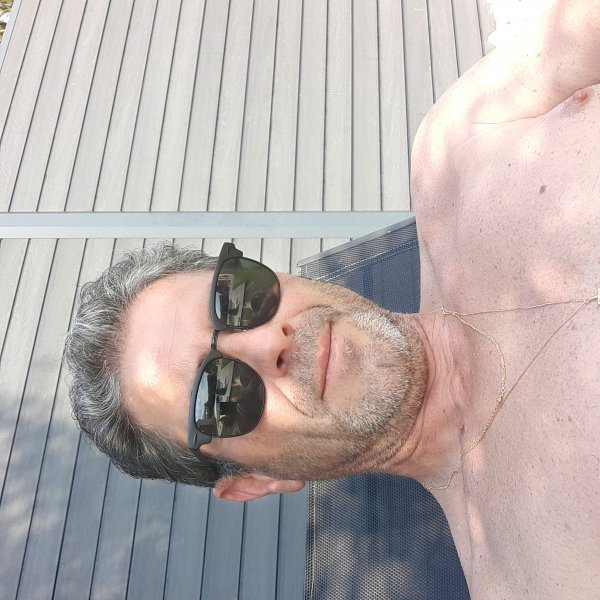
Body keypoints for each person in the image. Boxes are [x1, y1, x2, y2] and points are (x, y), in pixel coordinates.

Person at [64, 2, 600, 597]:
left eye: (233, 297)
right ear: (255, 480)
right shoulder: (536, 578)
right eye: (218, 394)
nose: (265, 342)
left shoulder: (460, 149)